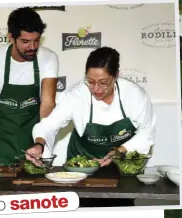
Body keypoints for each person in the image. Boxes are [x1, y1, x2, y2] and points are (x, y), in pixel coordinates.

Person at [25, 46, 156, 207]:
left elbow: (146, 133)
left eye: (103, 83)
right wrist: (39, 145)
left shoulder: (135, 95)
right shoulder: (76, 95)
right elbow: (48, 125)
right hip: (80, 170)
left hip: (120, 168)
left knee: (121, 208)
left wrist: (118, 151)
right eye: (91, 81)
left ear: (116, 76)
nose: (96, 89)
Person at [0, 7, 59, 167]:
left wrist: (40, 144)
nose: (32, 47)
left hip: (35, 138)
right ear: (11, 37)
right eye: (25, 41)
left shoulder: (49, 59)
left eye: (36, 40)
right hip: (3, 141)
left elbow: (47, 106)